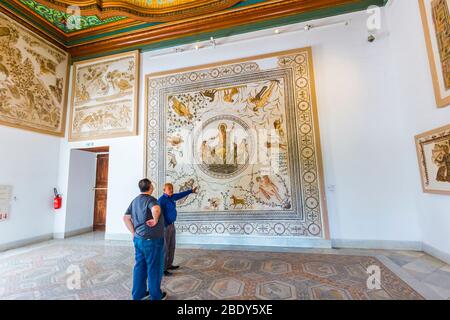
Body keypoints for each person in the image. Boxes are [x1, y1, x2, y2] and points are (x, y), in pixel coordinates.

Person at [123, 179, 167, 300]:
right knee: (154, 268)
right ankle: (156, 296)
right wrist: (156, 220)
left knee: (140, 267)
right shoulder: (151, 200)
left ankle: (138, 295)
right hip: (152, 241)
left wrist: (133, 232)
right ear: (150, 187)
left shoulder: (135, 201)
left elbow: (126, 218)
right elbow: (156, 209)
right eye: (152, 184)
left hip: (138, 239)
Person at [158, 183, 197, 276]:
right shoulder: (161, 200)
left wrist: (191, 191)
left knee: (172, 246)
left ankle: (169, 265)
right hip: (165, 226)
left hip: (172, 225)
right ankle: (163, 269)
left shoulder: (172, 197)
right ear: (164, 190)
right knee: (165, 248)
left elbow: (180, 195)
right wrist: (165, 224)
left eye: (171, 188)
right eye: (169, 189)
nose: (171, 190)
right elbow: (159, 214)